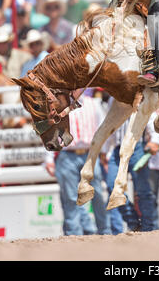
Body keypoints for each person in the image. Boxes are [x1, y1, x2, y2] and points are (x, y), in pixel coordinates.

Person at [45, 92, 111, 235]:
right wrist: (48, 158)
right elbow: (50, 131)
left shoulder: (94, 104)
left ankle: (104, 231)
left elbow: (103, 128)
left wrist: (104, 152)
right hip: (68, 154)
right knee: (70, 196)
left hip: (89, 154)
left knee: (97, 194)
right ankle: (74, 234)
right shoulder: (58, 106)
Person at [104, 114, 158, 233]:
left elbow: (152, 116)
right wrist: (105, 149)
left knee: (143, 190)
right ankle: (134, 223)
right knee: (112, 187)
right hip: (118, 149)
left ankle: (147, 228)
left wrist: (155, 140)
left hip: (136, 146)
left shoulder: (140, 97)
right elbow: (108, 122)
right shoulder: (113, 100)